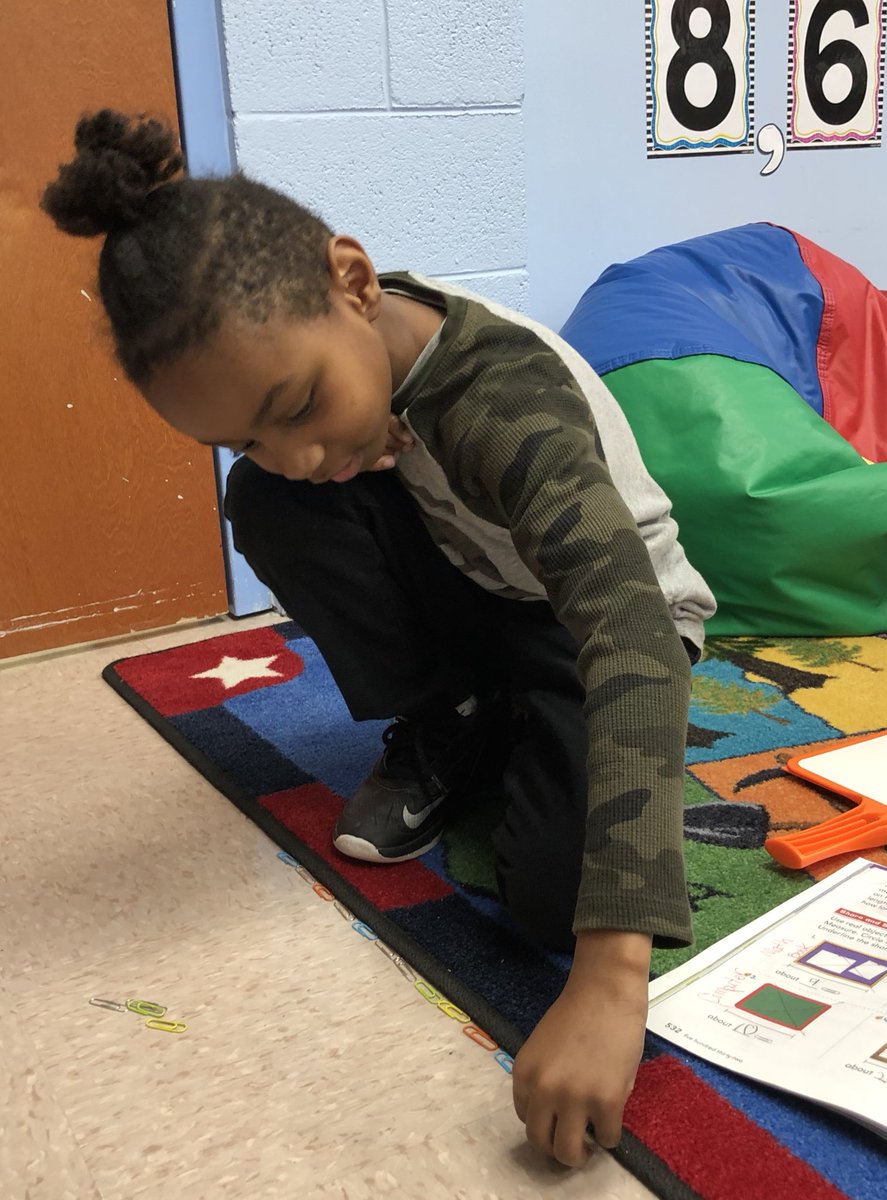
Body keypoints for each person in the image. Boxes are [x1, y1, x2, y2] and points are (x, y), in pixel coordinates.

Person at [42, 109, 716, 1168]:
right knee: (268, 505)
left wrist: (610, 979)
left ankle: (529, 729)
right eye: (245, 435)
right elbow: (305, 464)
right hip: (478, 588)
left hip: (592, 621)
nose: (298, 450)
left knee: (554, 904)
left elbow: (619, 618)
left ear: (353, 281)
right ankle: (453, 715)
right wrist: (309, 444)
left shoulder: (500, 396)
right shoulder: (325, 372)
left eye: (300, 404)